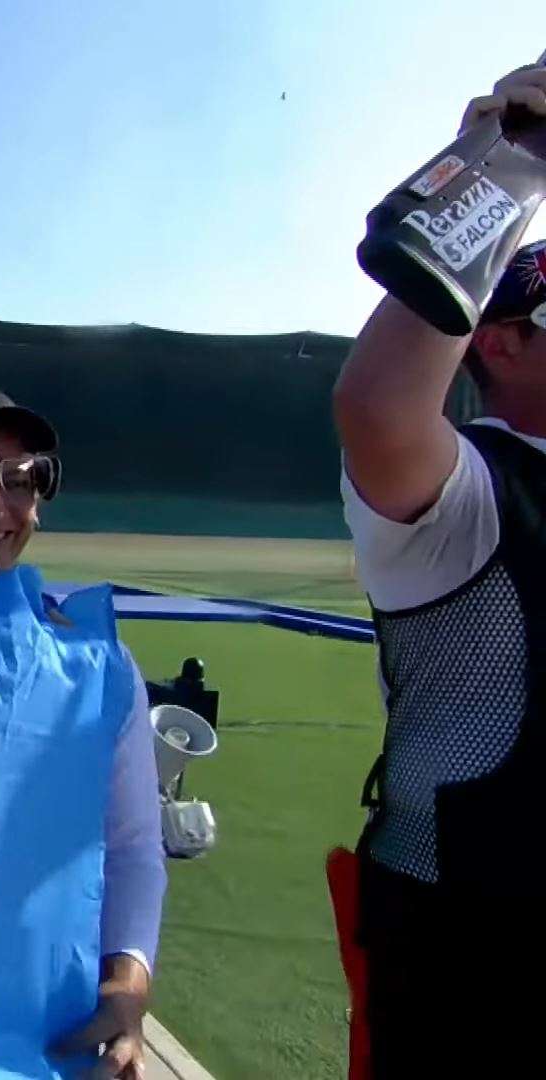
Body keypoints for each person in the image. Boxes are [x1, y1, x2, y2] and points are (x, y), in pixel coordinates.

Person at [330, 62, 546, 1078]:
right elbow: (379, 408)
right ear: (498, 341)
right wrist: (504, 167)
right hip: (477, 961)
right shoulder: (466, 497)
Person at [0, 389, 166, 1080]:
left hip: (28, 1034)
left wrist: (127, 988)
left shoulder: (90, 663)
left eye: (21, 482)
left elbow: (132, 847)